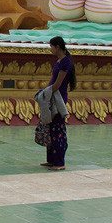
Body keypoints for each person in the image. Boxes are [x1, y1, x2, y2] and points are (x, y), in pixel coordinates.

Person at [42, 36, 74, 170]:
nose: (50, 49)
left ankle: (60, 162)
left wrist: (46, 93)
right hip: (52, 97)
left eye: (51, 47)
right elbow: (52, 81)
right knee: (50, 129)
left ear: (58, 47)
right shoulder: (58, 61)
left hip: (59, 98)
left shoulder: (66, 62)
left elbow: (58, 84)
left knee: (58, 130)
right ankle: (52, 159)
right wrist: (45, 92)